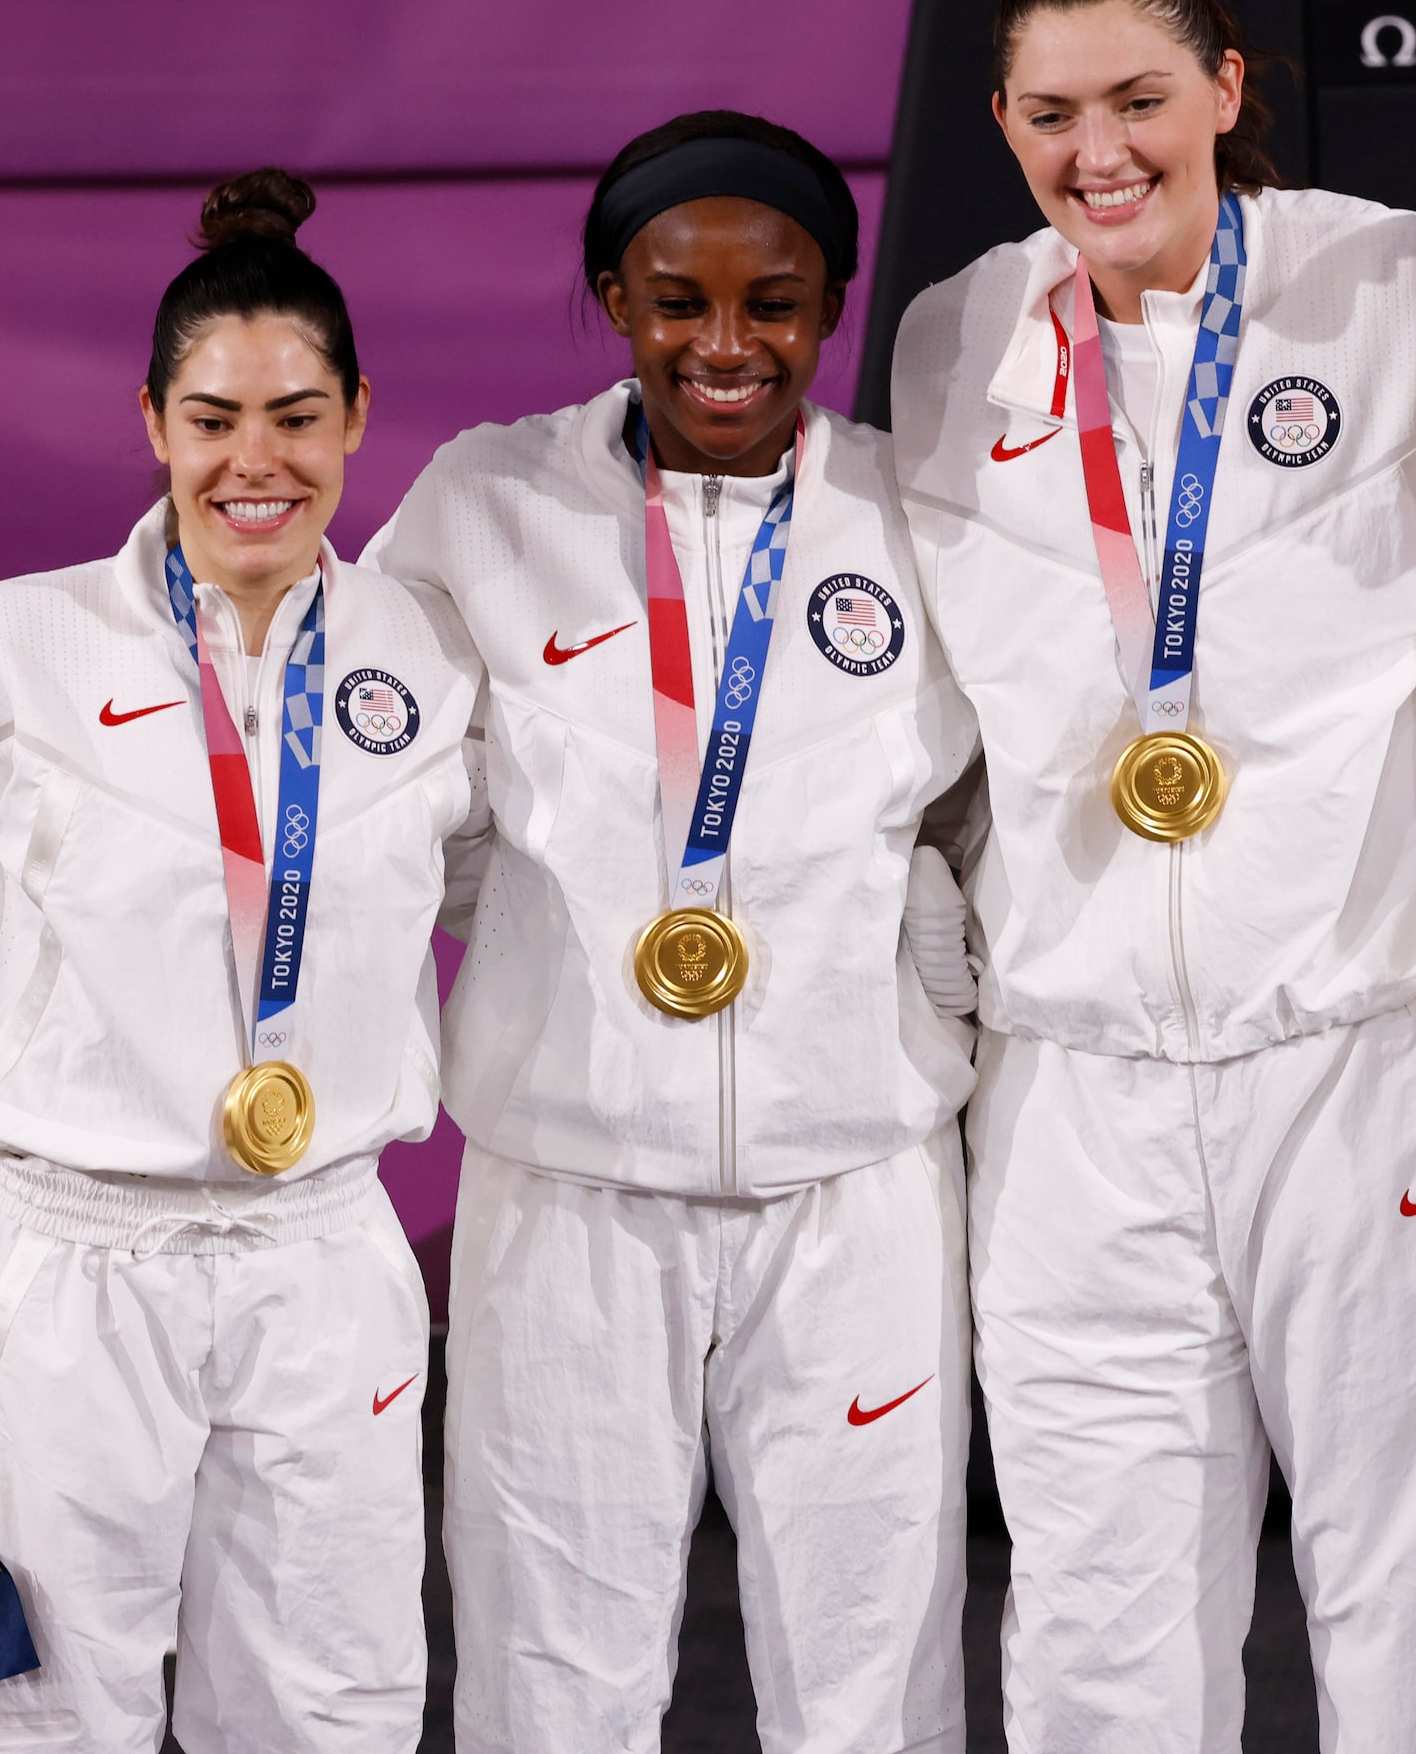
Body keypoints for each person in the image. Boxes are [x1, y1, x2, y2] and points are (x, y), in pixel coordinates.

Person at [887, 0, 1416, 1749]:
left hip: (1361, 1063)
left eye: (1141, 99)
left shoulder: (1400, 290)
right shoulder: (956, 342)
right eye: (1048, 114)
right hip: (1075, 1089)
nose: (1099, 152)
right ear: (1002, 125)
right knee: (1097, 1614)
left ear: (1227, 87)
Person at [0, 169, 481, 1750]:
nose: (258, 463)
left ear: (361, 416)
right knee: (35, 1710)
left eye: (300, 417)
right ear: (152, 421)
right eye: (214, 418)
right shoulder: (9, 645)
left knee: (334, 1710)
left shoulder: (428, 657)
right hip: (62, 1263)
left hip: (324, 1255)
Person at [363, 111, 981, 1754]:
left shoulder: (915, 513)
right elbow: (374, 794)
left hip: (853, 1184)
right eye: (676, 300)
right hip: (566, 1188)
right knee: (550, 1666)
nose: (726, 344)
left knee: (869, 1669)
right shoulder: (484, 504)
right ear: (610, 297)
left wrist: (923, 1000)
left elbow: (992, 805)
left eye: (771, 301)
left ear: (832, 306)